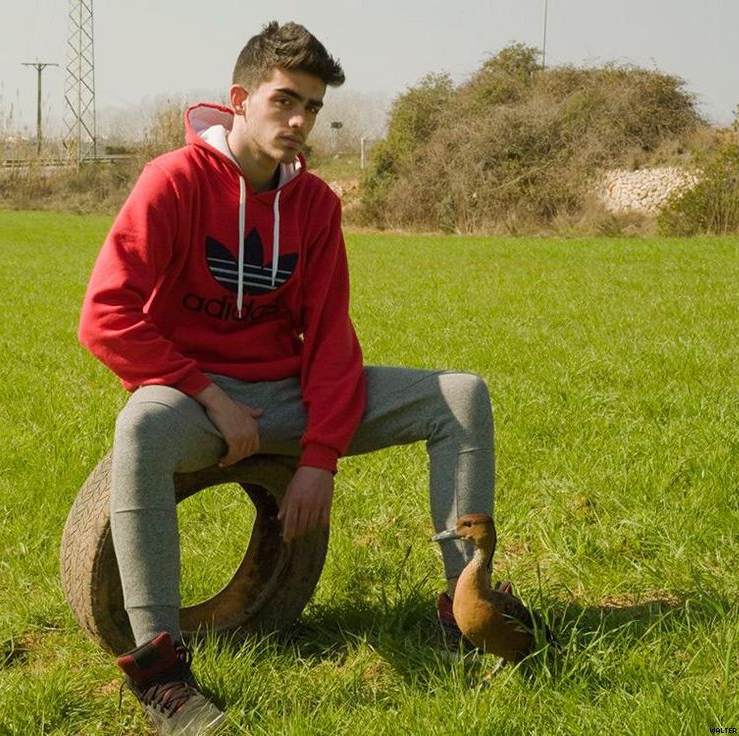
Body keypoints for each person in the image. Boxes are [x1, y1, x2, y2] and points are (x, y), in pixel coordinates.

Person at [78, 20, 496, 736]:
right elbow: (104, 316)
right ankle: (162, 672)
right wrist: (208, 396)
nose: (300, 121)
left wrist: (320, 457)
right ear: (241, 99)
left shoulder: (316, 205)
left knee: (461, 395)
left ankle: (467, 609)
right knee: (141, 426)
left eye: (313, 107)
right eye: (285, 101)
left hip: (288, 397)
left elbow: (330, 339)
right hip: (194, 401)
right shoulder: (173, 181)